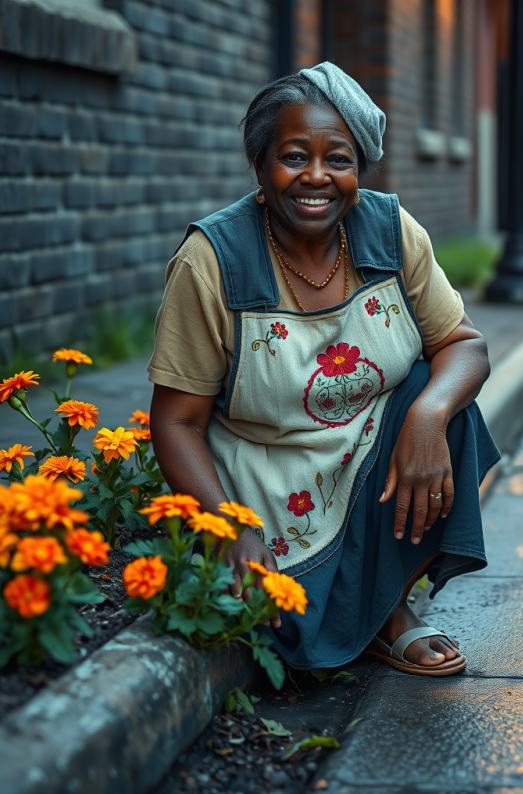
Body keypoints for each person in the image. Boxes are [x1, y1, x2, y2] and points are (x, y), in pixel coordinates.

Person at [148, 63, 499, 676]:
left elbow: (464, 344)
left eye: (338, 159)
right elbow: (176, 422)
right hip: (267, 484)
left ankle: (390, 609)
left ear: (358, 170)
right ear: (260, 167)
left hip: (368, 460)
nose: (316, 176)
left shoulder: (389, 231)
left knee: (442, 395)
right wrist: (230, 528)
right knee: (288, 630)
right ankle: (354, 606)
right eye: (293, 157)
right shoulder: (212, 261)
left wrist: (427, 416)